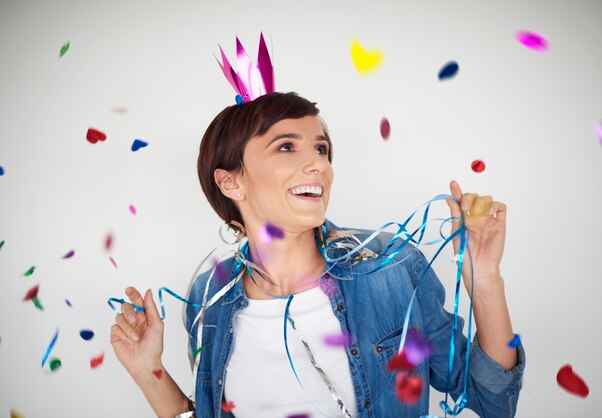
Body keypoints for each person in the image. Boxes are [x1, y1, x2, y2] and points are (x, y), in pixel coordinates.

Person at [110, 91, 525, 418]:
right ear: (231, 183)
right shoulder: (208, 297)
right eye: (287, 147)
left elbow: (494, 404)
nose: (318, 166)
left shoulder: (391, 267)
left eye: (322, 149)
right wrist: (149, 372)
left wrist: (485, 277)